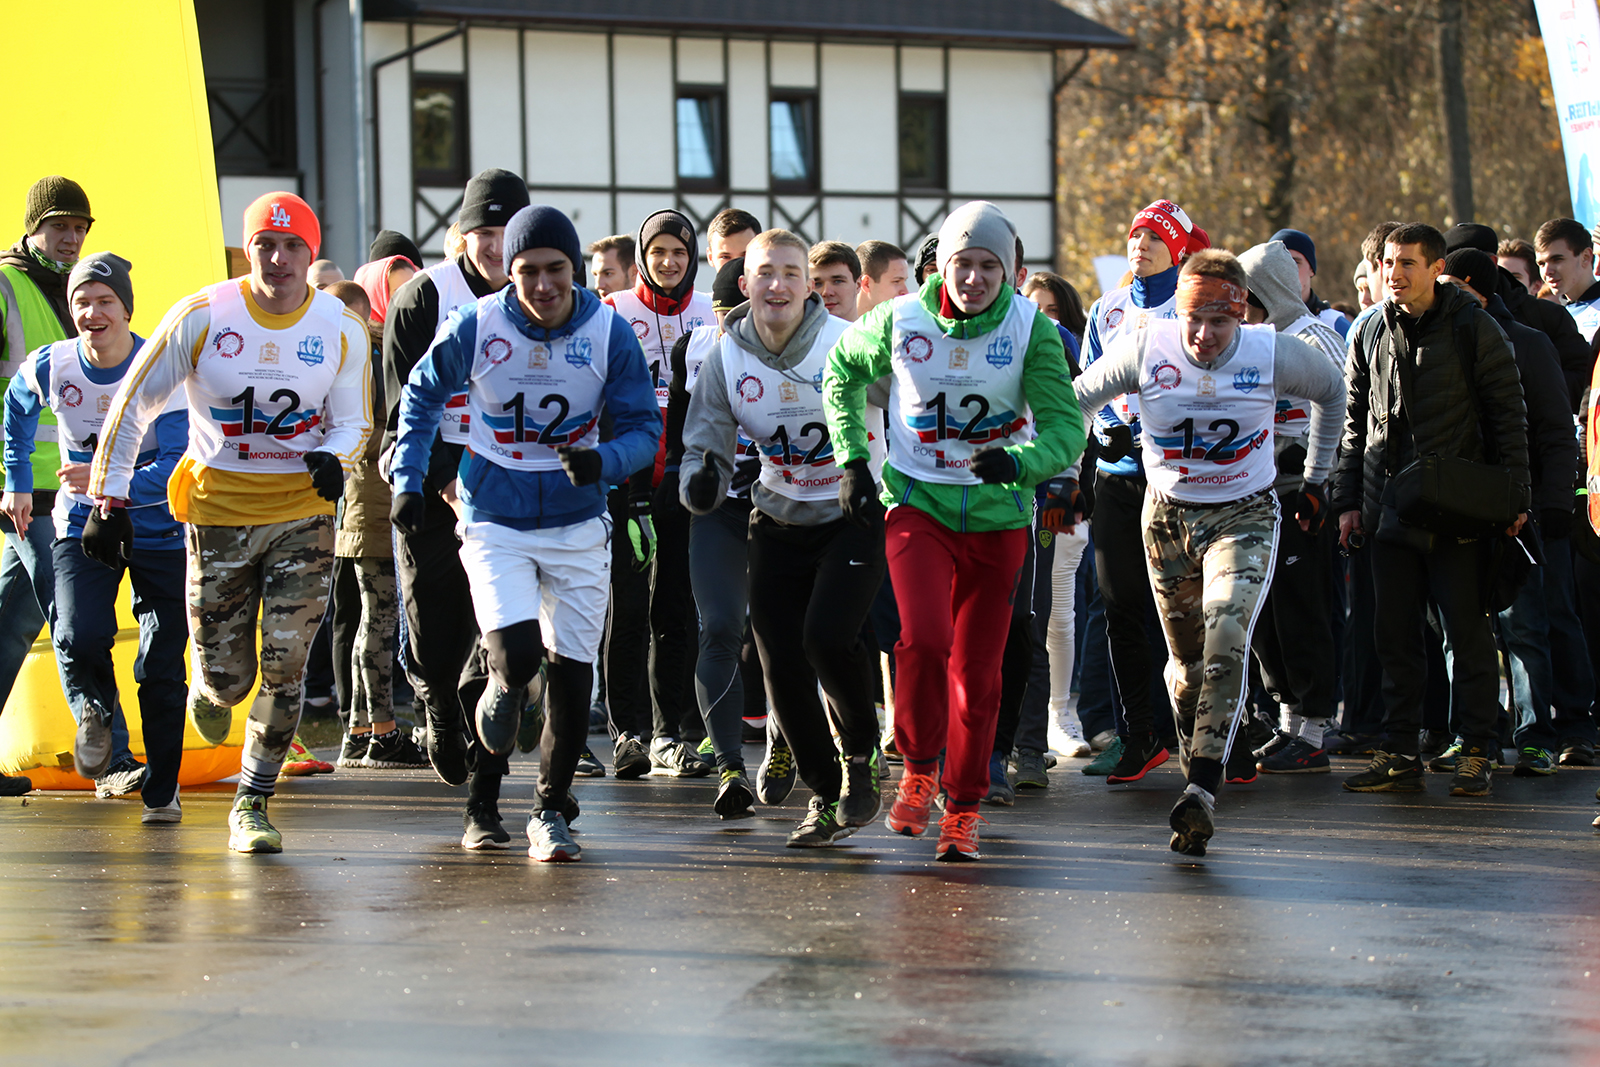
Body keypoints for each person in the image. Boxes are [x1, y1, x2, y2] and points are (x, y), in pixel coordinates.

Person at [87, 191, 371, 853]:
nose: (277, 260)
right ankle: (212, 688)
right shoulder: (204, 315)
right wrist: (109, 500)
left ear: (310, 251)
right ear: (249, 250)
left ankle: (253, 800)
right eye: (264, 246)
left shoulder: (338, 325)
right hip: (217, 514)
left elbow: (356, 418)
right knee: (228, 678)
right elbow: (133, 404)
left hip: (302, 512)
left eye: (292, 246)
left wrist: (336, 457)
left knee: (286, 664)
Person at [391, 204, 659, 862]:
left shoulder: (607, 332)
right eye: (527, 271)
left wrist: (607, 460)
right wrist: (407, 477)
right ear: (508, 274)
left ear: (575, 270)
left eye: (556, 270)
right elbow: (422, 392)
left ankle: (549, 808)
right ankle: (484, 796)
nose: (542, 285)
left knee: (572, 679)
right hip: (496, 518)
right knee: (512, 657)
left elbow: (644, 427)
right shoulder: (479, 325)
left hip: (577, 522)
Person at [824, 201, 1086, 861]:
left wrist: (1020, 461)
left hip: (999, 518)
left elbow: (1065, 428)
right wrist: (853, 458)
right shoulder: (901, 317)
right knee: (922, 640)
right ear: (940, 263)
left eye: (987, 266)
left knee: (980, 671)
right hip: (919, 505)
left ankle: (963, 807)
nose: (972, 278)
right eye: (961, 263)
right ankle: (917, 766)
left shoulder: (1032, 330)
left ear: (1011, 271)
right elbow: (841, 373)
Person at [1073, 249, 1345, 855]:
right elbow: (1078, 395)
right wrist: (1088, 448)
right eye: (1193, 318)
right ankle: (1198, 752)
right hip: (1166, 518)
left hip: (1245, 514)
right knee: (1189, 668)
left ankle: (1200, 790)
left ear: (1242, 313)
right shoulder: (1148, 345)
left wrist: (1319, 478)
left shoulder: (1270, 350)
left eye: (1218, 322)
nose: (1203, 335)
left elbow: (1334, 391)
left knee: (1226, 639)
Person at [681, 229, 887, 842]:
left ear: (809, 285)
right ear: (744, 284)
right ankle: (824, 795)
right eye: (765, 273)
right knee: (779, 662)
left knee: (826, 639)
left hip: (850, 512)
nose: (778, 285)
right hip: (777, 514)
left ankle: (861, 753)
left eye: (792, 274)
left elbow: (909, 399)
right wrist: (702, 480)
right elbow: (706, 441)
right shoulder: (725, 358)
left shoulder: (846, 343)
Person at [1334, 223, 1529, 800]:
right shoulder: (1368, 330)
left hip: (1458, 511)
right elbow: (1354, 427)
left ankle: (1476, 751)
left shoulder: (1475, 327)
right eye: (1387, 263)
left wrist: (1513, 499)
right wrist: (1348, 502)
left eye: (1407, 263)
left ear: (1436, 268)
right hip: (1388, 510)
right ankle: (1398, 751)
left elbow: (1508, 416)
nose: (1393, 274)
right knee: (1393, 637)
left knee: (1467, 637)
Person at [3, 252, 188, 819]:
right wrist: (15, 482)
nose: (92, 312)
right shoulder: (52, 364)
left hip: (159, 528)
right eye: (82, 302)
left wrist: (111, 475)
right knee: (79, 633)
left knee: (160, 666)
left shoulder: (159, 368)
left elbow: (181, 458)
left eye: (105, 301)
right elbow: (14, 410)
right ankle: (93, 711)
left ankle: (162, 789)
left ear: (127, 310)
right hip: (81, 522)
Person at [381, 168, 531, 846]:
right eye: (486, 232)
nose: (498, 247)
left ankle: (486, 801)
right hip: (435, 485)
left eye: (509, 232)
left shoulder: (548, 297)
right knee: (438, 638)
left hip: (510, 492)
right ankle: (437, 696)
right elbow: (400, 410)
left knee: (500, 644)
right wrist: (443, 482)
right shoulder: (423, 299)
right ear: (464, 236)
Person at [1081, 199, 1209, 783]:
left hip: (1178, 482)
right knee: (1119, 607)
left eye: (1155, 237)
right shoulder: (1105, 308)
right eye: (1135, 235)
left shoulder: (1194, 306)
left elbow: (1208, 384)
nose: (1141, 245)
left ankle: (1205, 735)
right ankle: (1139, 735)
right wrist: (1105, 430)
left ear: (1177, 249)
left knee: (1186, 614)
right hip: (1117, 480)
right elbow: (1083, 385)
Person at [1440, 248, 1581, 778]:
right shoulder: (1435, 340)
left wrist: (1551, 504)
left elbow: (1553, 428)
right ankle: (1470, 734)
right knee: (1460, 630)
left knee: (1524, 628)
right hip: (1454, 509)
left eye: (1452, 284)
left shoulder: (1527, 342)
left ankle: (1535, 735)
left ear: (1477, 289)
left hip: (1518, 509)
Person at [603, 209, 715, 776]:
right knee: (625, 610)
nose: (668, 262)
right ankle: (627, 732)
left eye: (679, 252)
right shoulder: (615, 312)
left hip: (685, 485)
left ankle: (670, 732)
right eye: (657, 252)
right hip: (626, 485)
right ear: (642, 258)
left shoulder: (708, 315)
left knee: (676, 609)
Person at [1237, 240, 1347, 773]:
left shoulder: (1314, 337)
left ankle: (1315, 728)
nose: (1240, 306)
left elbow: (1346, 407)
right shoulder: (1254, 342)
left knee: (1304, 610)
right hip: (1260, 495)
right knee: (1268, 619)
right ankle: (1287, 723)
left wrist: (1320, 477)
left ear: (1269, 291)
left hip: (1304, 493)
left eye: (1248, 295)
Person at [0, 176, 93, 797]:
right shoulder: (7, 283)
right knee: (67, 609)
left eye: (81, 228)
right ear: (33, 227)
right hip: (22, 484)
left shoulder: (78, 290)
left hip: (54, 483)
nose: (71, 237)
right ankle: (103, 748)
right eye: (59, 225)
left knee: (12, 620)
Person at [324, 280, 422, 769]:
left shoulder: (356, 358)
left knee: (372, 619)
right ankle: (377, 729)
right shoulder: (366, 357)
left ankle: (363, 729)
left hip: (368, 505)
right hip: (374, 507)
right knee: (378, 620)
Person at [1446, 222, 1591, 411]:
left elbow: (1584, 383)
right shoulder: (1433, 320)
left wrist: (1526, 386)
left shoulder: (1544, 316)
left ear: (1491, 263)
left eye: (1458, 283)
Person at [1268, 228, 1350, 337]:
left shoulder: (1335, 324)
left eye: (1295, 262)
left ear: (1311, 269)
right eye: (1280, 262)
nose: (1287, 269)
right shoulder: (1255, 325)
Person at [1536, 218, 1600, 344]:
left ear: (1586, 257)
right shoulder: (1547, 318)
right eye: (1541, 264)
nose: (1547, 271)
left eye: (1557, 260)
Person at [855, 240, 911, 318]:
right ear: (866, 284)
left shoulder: (906, 327)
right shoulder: (837, 328)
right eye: (896, 281)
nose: (905, 292)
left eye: (904, 281)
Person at [808, 241, 861, 322]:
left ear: (858, 285)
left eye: (838, 281)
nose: (826, 292)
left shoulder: (876, 334)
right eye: (817, 284)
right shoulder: (794, 334)